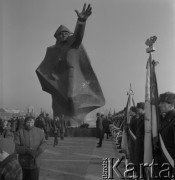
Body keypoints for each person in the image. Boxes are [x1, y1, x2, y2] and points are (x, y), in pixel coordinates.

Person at [36, 3, 105, 120]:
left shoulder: (74, 43)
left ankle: (75, 119)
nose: (63, 35)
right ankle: (66, 120)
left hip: (72, 74)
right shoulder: (52, 50)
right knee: (59, 100)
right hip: (58, 78)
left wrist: (81, 21)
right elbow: (45, 66)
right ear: (56, 37)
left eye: (66, 33)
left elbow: (78, 35)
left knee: (71, 96)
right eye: (60, 34)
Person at [156, 92, 175, 179]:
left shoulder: (173, 120)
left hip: (170, 165)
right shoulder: (165, 119)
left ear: (171, 104)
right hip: (162, 164)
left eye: (162, 102)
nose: (159, 105)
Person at [134, 102, 145, 176]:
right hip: (138, 143)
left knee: (140, 160)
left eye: (139, 109)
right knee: (137, 159)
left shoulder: (145, 119)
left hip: (142, 144)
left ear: (143, 109)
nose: (137, 110)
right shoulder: (140, 118)